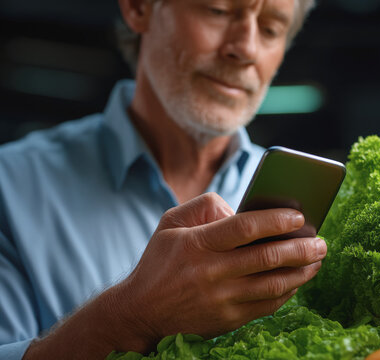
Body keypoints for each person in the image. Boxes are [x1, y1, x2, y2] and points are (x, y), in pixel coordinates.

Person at [0, 0, 324, 359]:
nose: (246, 48)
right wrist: (129, 318)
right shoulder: (10, 187)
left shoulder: (307, 206)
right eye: (217, 11)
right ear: (139, 8)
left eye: (270, 29)